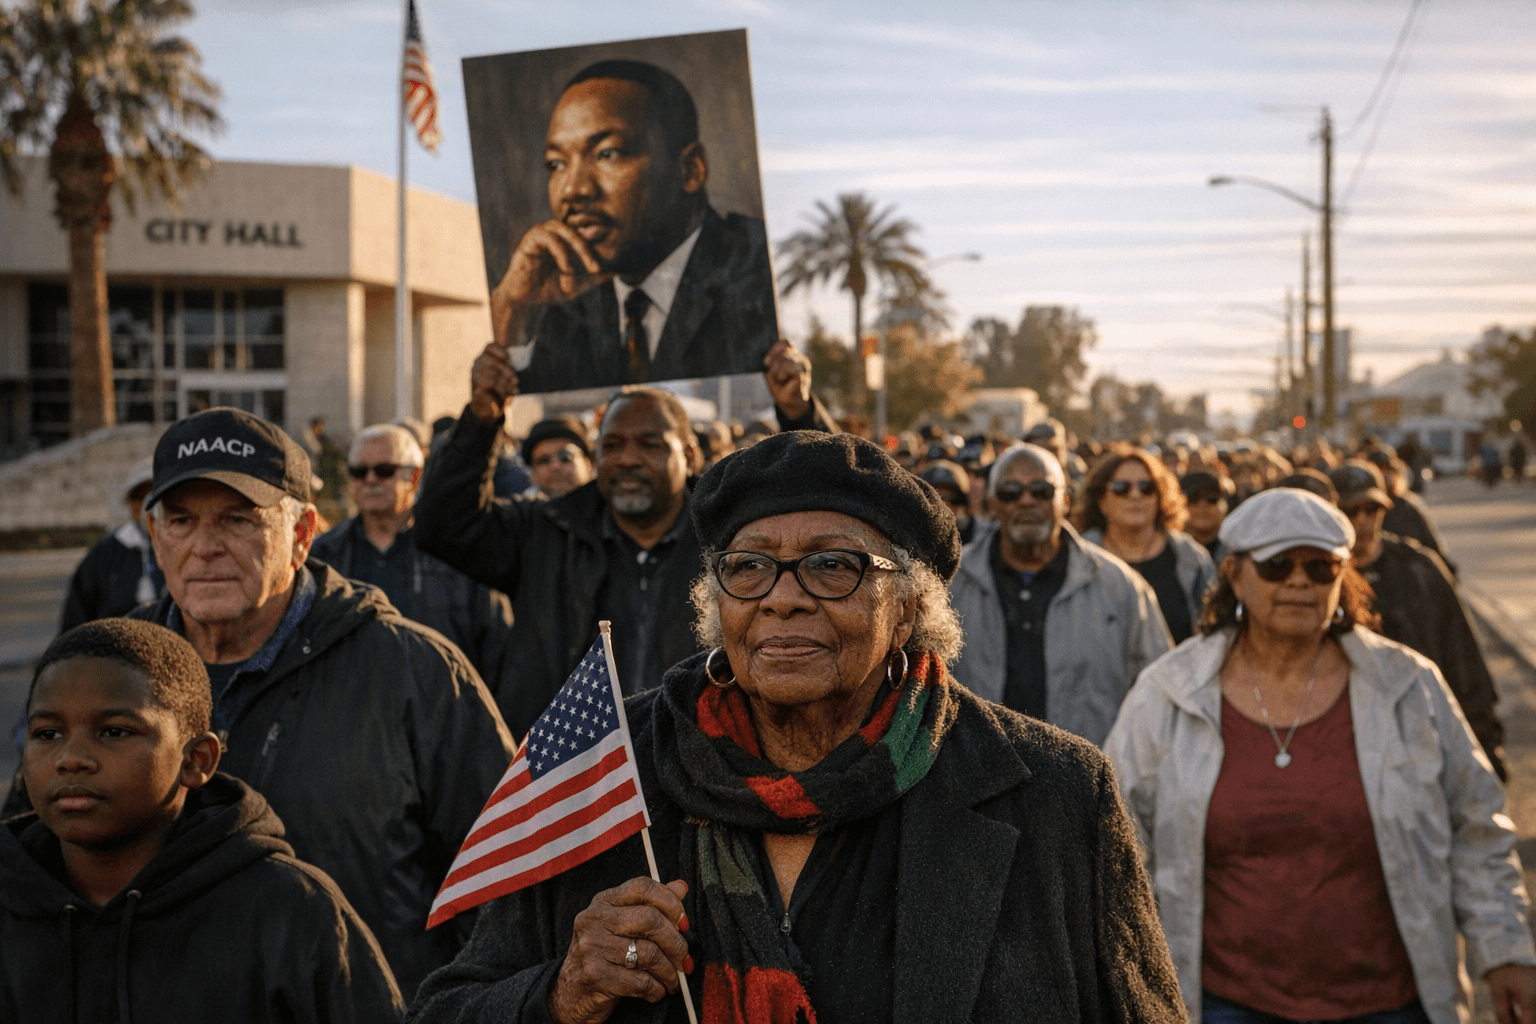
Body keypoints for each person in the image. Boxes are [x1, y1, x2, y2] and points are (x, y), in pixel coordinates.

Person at [410, 431, 1185, 1024]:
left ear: (908, 608)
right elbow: (448, 1007)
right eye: (748, 566)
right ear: (718, 603)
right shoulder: (612, 764)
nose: (782, 597)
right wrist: (563, 992)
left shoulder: (1053, 793)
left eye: (832, 566)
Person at [1104, 488, 1536, 1024]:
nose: (1299, 582)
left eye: (1320, 567)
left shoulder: (1408, 685)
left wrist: (1505, 951)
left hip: (1392, 1002)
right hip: (1222, 1003)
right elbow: (1118, 845)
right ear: (1234, 574)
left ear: (1343, 576)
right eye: (1276, 566)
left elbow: (1476, 827)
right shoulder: (1169, 693)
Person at [128, 407, 514, 999]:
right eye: (181, 520)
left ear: (302, 535)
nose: (204, 547)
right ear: (156, 538)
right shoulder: (109, 671)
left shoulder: (416, 673)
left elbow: (507, 885)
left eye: (238, 519)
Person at [416, 337, 833, 739]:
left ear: (689, 454)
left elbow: (831, 513)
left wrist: (798, 412)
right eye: (612, 445)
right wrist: (481, 420)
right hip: (574, 776)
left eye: (650, 444)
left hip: (704, 770)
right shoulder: (546, 533)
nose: (628, 459)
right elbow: (443, 526)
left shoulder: (735, 544)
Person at [1, 618, 404, 1022]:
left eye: (115, 732)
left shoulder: (290, 911)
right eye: (47, 734)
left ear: (197, 761)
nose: (71, 759)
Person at [492, 59, 777, 392]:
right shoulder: (563, 310)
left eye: (608, 153)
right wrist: (511, 313)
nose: (572, 190)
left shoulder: (759, 274)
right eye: (556, 164)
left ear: (690, 170)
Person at [948, 443, 1171, 746]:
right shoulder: (952, 583)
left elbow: (1160, 692)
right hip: (977, 770)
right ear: (992, 505)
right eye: (1010, 492)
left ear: (1065, 501)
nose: (1026, 501)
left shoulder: (1121, 587)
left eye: (1041, 491)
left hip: (1090, 770)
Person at [1329, 460, 1507, 778]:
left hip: (1427, 733)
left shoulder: (1419, 569)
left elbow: (1462, 654)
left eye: (1372, 509)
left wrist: (1485, 742)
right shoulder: (1322, 580)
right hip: (1352, 743)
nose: (1363, 520)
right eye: (1351, 510)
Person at [311, 423, 516, 699]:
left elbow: (498, 646)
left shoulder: (455, 549)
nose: (369, 480)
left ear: (415, 476)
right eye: (359, 472)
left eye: (384, 470)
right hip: (353, 710)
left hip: (444, 709)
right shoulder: (324, 555)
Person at [1080, 446, 1215, 645]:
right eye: (1121, 488)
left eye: (1146, 487)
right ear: (1101, 500)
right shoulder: (1078, 558)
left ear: (1160, 497)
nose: (1135, 495)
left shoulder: (1193, 558)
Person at [59, 458, 165, 631]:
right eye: (139, 498)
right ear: (129, 502)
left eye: (153, 497)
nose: (147, 507)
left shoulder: (182, 547)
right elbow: (75, 620)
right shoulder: (105, 554)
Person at [521, 416, 594, 498]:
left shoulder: (604, 503)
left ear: (588, 463)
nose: (555, 466)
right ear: (533, 473)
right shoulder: (520, 505)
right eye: (544, 460)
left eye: (565, 457)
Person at [918, 459, 977, 545]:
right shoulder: (911, 538)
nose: (943, 506)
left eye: (950, 498)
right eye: (933, 499)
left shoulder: (977, 537)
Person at [1179, 470, 1232, 562]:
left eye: (1212, 499)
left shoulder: (1237, 549)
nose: (1203, 507)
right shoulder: (1168, 549)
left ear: (1224, 506)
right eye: (1193, 499)